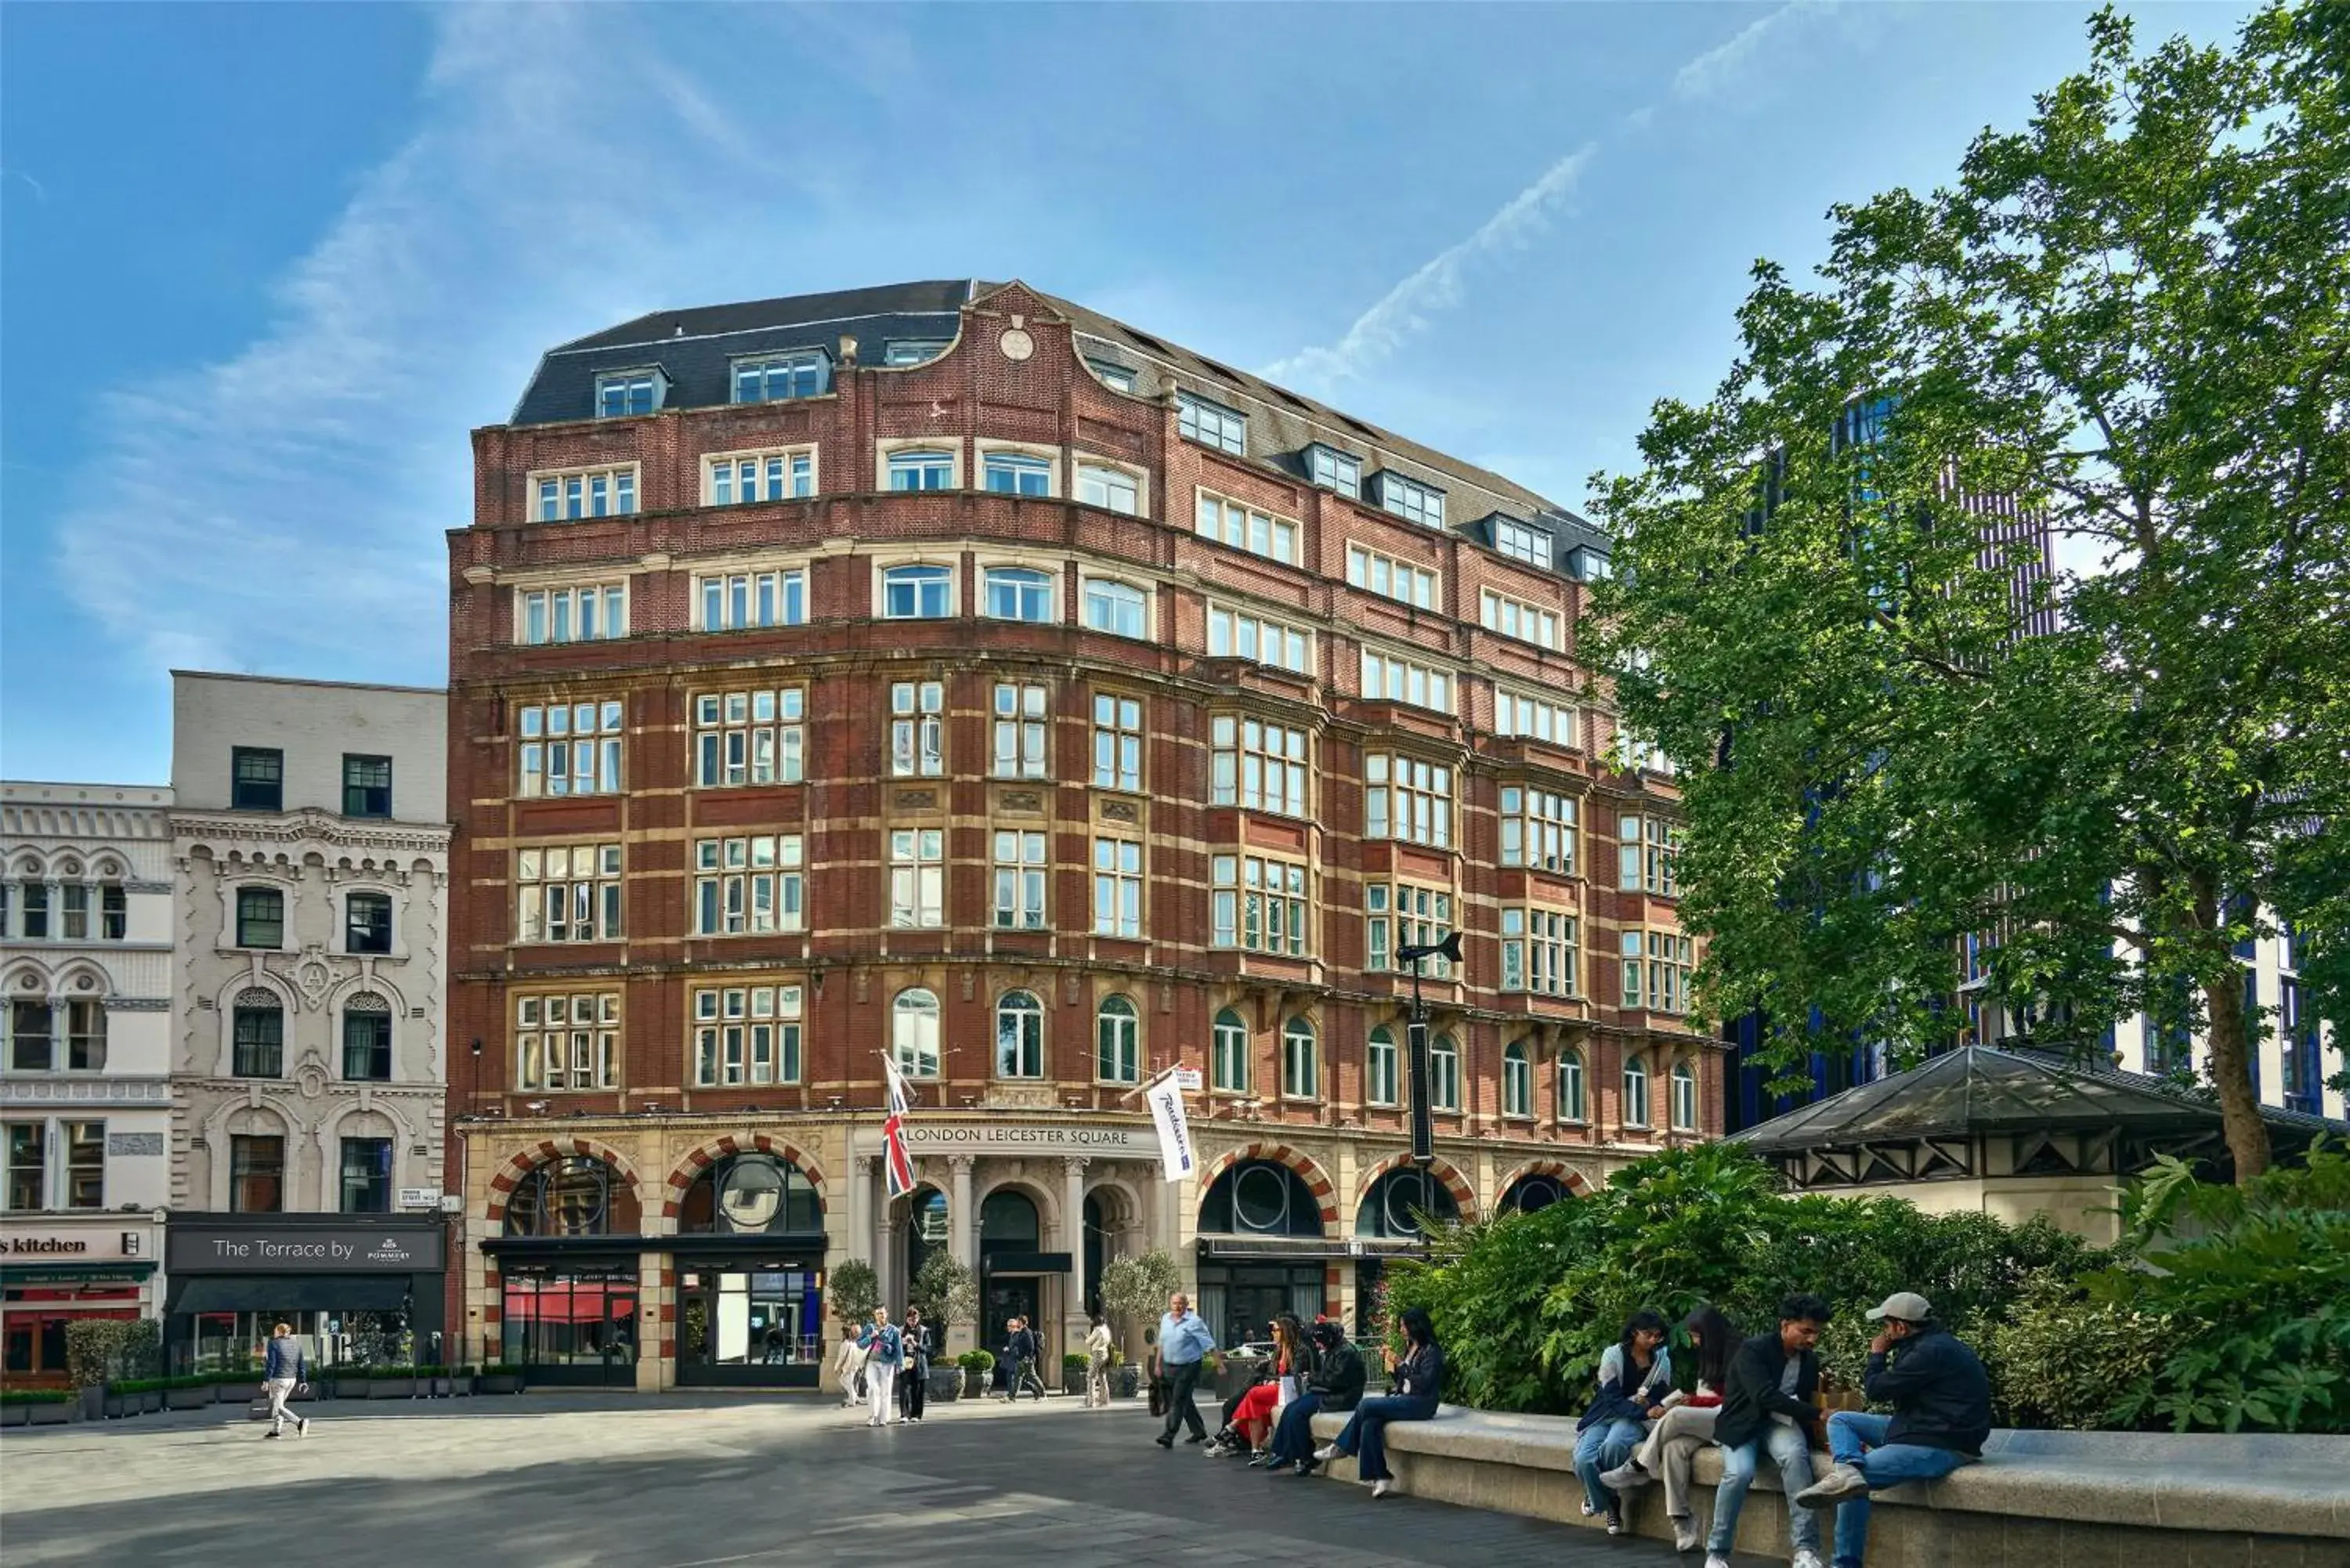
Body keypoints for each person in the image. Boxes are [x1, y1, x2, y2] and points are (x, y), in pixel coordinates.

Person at [1793, 1292, 1992, 1568]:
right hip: (1919, 1426)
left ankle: (1845, 1564)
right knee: (1841, 1421)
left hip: (1941, 1443)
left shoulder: (1927, 1352)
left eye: (1887, 1326)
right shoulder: (1930, 1344)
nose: (1884, 1332)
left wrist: (1877, 1354)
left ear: (1901, 1327)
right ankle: (1848, 1468)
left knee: (1853, 1485)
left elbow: (1876, 1390)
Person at [1703, 1293, 1831, 1568]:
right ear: (1785, 1325)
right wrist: (1817, 1414)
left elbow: (1804, 1398)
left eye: (1816, 1333)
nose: (1812, 1339)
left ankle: (1806, 1551)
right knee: (1738, 1474)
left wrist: (1820, 1434)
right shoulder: (1753, 1350)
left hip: (1781, 1425)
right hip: (1743, 1424)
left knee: (1796, 1459)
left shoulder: (1809, 1360)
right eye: (1806, 1331)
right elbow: (1763, 1396)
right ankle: (1717, 1552)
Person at [1601, 1303, 1736, 1553]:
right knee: (1673, 1448)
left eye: (1696, 1336)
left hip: (1730, 1419)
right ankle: (1681, 1521)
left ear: (1710, 1333)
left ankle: (1639, 1466)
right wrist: (1692, 1399)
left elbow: (1735, 1399)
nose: (1694, 1342)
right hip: (1709, 1420)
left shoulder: (1738, 1353)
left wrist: (1693, 1401)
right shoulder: (1708, 1355)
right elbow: (1708, 1395)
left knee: (1675, 1416)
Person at [1311, 1306, 1444, 1500]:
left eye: (1404, 1326)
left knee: (1366, 1405)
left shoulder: (1432, 1351)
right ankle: (1381, 1476)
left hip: (1421, 1404)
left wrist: (1401, 1365)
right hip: (1405, 1398)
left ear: (1415, 1326)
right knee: (1369, 1423)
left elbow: (1424, 1383)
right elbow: (1403, 1381)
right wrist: (1393, 1367)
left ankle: (1340, 1447)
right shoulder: (1409, 1347)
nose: (1401, 1330)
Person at [1574, 1308, 1674, 1534]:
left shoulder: (1662, 1361)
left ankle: (1606, 1503)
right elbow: (1611, 1397)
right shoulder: (1613, 1355)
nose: (1653, 1340)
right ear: (1634, 1332)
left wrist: (1657, 1406)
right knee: (1583, 1458)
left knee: (1614, 1445)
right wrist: (1643, 1411)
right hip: (1605, 1415)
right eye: (1648, 1334)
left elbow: (1660, 1394)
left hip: (1633, 1420)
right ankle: (1609, 1500)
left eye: (1658, 1336)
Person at [1269, 1320, 1365, 1474]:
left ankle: (1303, 1456)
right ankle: (1283, 1452)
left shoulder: (1346, 1352)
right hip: (1327, 1392)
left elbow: (1336, 1380)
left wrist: (1313, 1378)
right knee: (1290, 1409)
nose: (1317, 1346)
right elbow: (1328, 1378)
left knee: (1298, 1413)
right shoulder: (1333, 1349)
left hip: (1340, 1396)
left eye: (1319, 1342)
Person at [1224, 1314, 1309, 1462]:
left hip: (1289, 1390)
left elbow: (1295, 1374)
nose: (1272, 1333)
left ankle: (1232, 1427)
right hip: (1277, 1389)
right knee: (1254, 1406)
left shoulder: (1300, 1349)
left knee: (1253, 1394)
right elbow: (1271, 1372)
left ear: (1285, 1331)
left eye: (1276, 1330)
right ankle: (1255, 1450)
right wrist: (1270, 1381)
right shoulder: (1278, 1350)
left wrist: (1273, 1381)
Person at [1152, 1292, 1216, 1447]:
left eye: (1181, 1303)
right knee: (1185, 1399)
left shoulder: (1194, 1322)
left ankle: (1169, 1435)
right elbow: (1162, 1343)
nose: (1177, 1306)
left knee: (1177, 1399)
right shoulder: (1166, 1319)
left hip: (1190, 1365)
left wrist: (1218, 1363)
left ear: (1186, 1305)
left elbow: (1208, 1343)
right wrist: (1157, 1364)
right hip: (1171, 1366)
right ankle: (1199, 1431)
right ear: (1170, 1304)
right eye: (1174, 1303)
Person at [261, 1322, 309, 1440]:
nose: (274, 1333)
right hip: (291, 1380)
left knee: (278, 1407)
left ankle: (299, 1422)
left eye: (275, 1331)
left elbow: (271, 1363)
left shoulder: (274, 1344)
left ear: (279, 1332)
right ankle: (276, 1430)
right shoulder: (297, 1345)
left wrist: (266, 1380)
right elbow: (301, 1364)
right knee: (279, 1405)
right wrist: (303, 1381)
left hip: (278, 1379)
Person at [856, 1306, 902, 1427]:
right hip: (872, 1362)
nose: (880, 1316)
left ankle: (883, 1418)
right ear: (874, 1315)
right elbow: (860, 1344)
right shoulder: (869, 1328)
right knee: (872, 1388)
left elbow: (898, 1349)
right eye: (878, 1314)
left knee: (885, 1391)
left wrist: (900, 1364)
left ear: (886, 1314)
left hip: (887, 1363)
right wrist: (870, 1337)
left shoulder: (894, 1330)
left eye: (882, 1313)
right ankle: (872, 1416)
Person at [898, 1307, 932, 1424]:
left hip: (919, 1363)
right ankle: (904, 1414)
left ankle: (916, 1414)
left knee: (918, 1390)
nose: (912, 1322)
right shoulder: (901, 1330)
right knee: (904, 1389)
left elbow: (928, 1349)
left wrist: (915, 1344)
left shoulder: (924, 1331)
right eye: (910, 1319)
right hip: (905, 1361)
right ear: (907, 1319)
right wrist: (902, 1343)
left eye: (915, 1319)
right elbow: (896, 1348)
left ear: (918, 1319)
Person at [1003, 1316, 1045, 1401]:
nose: (1016, 1323)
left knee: (1033, 1377)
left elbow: (1031, 1347)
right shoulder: (1021, 1332)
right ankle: (1012, 1397)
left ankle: (1043, 1394)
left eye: (1018, 1322)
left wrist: (1027, 1357)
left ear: (1021, 1323)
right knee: (1017, 1379)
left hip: (1027, 1360)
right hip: (1020, 1359)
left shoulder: (1027, 1332)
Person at [833, 1322, 867, 1408]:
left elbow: (842, 1357)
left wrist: (837, 1367)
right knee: (849, 1383)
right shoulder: (853, 1344)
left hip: (848, 1367)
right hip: (854, 1367)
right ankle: (854, 1398)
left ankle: (852, 1399)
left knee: (845, 1382)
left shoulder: (846, 1344)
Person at [1086, 1315, 1115, 1408]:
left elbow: (1088, 1342)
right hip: (1105, 1354)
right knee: (1102, 1377)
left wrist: (1087, 1337)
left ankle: (1091, 1401)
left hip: (1098, 1354)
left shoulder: (1097, 1330)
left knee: (1091, 1377)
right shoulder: (1106, 1330)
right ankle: (1105, 1400)